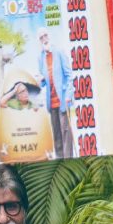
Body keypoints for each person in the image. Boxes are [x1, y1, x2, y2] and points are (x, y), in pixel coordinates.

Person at [35, 27, 74, 158]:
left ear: (49, 36)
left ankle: (69, 162)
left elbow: (69, 75)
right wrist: (39, 80)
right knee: (57, 136)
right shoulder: (40, 58)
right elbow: (43, 81)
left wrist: (68, 95)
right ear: (39, 41)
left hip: (63, 100)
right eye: (41, 38)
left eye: (45, 35)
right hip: (51, 103)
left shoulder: (59, 52)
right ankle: (60, 162)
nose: (44, 39)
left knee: (66, 135)